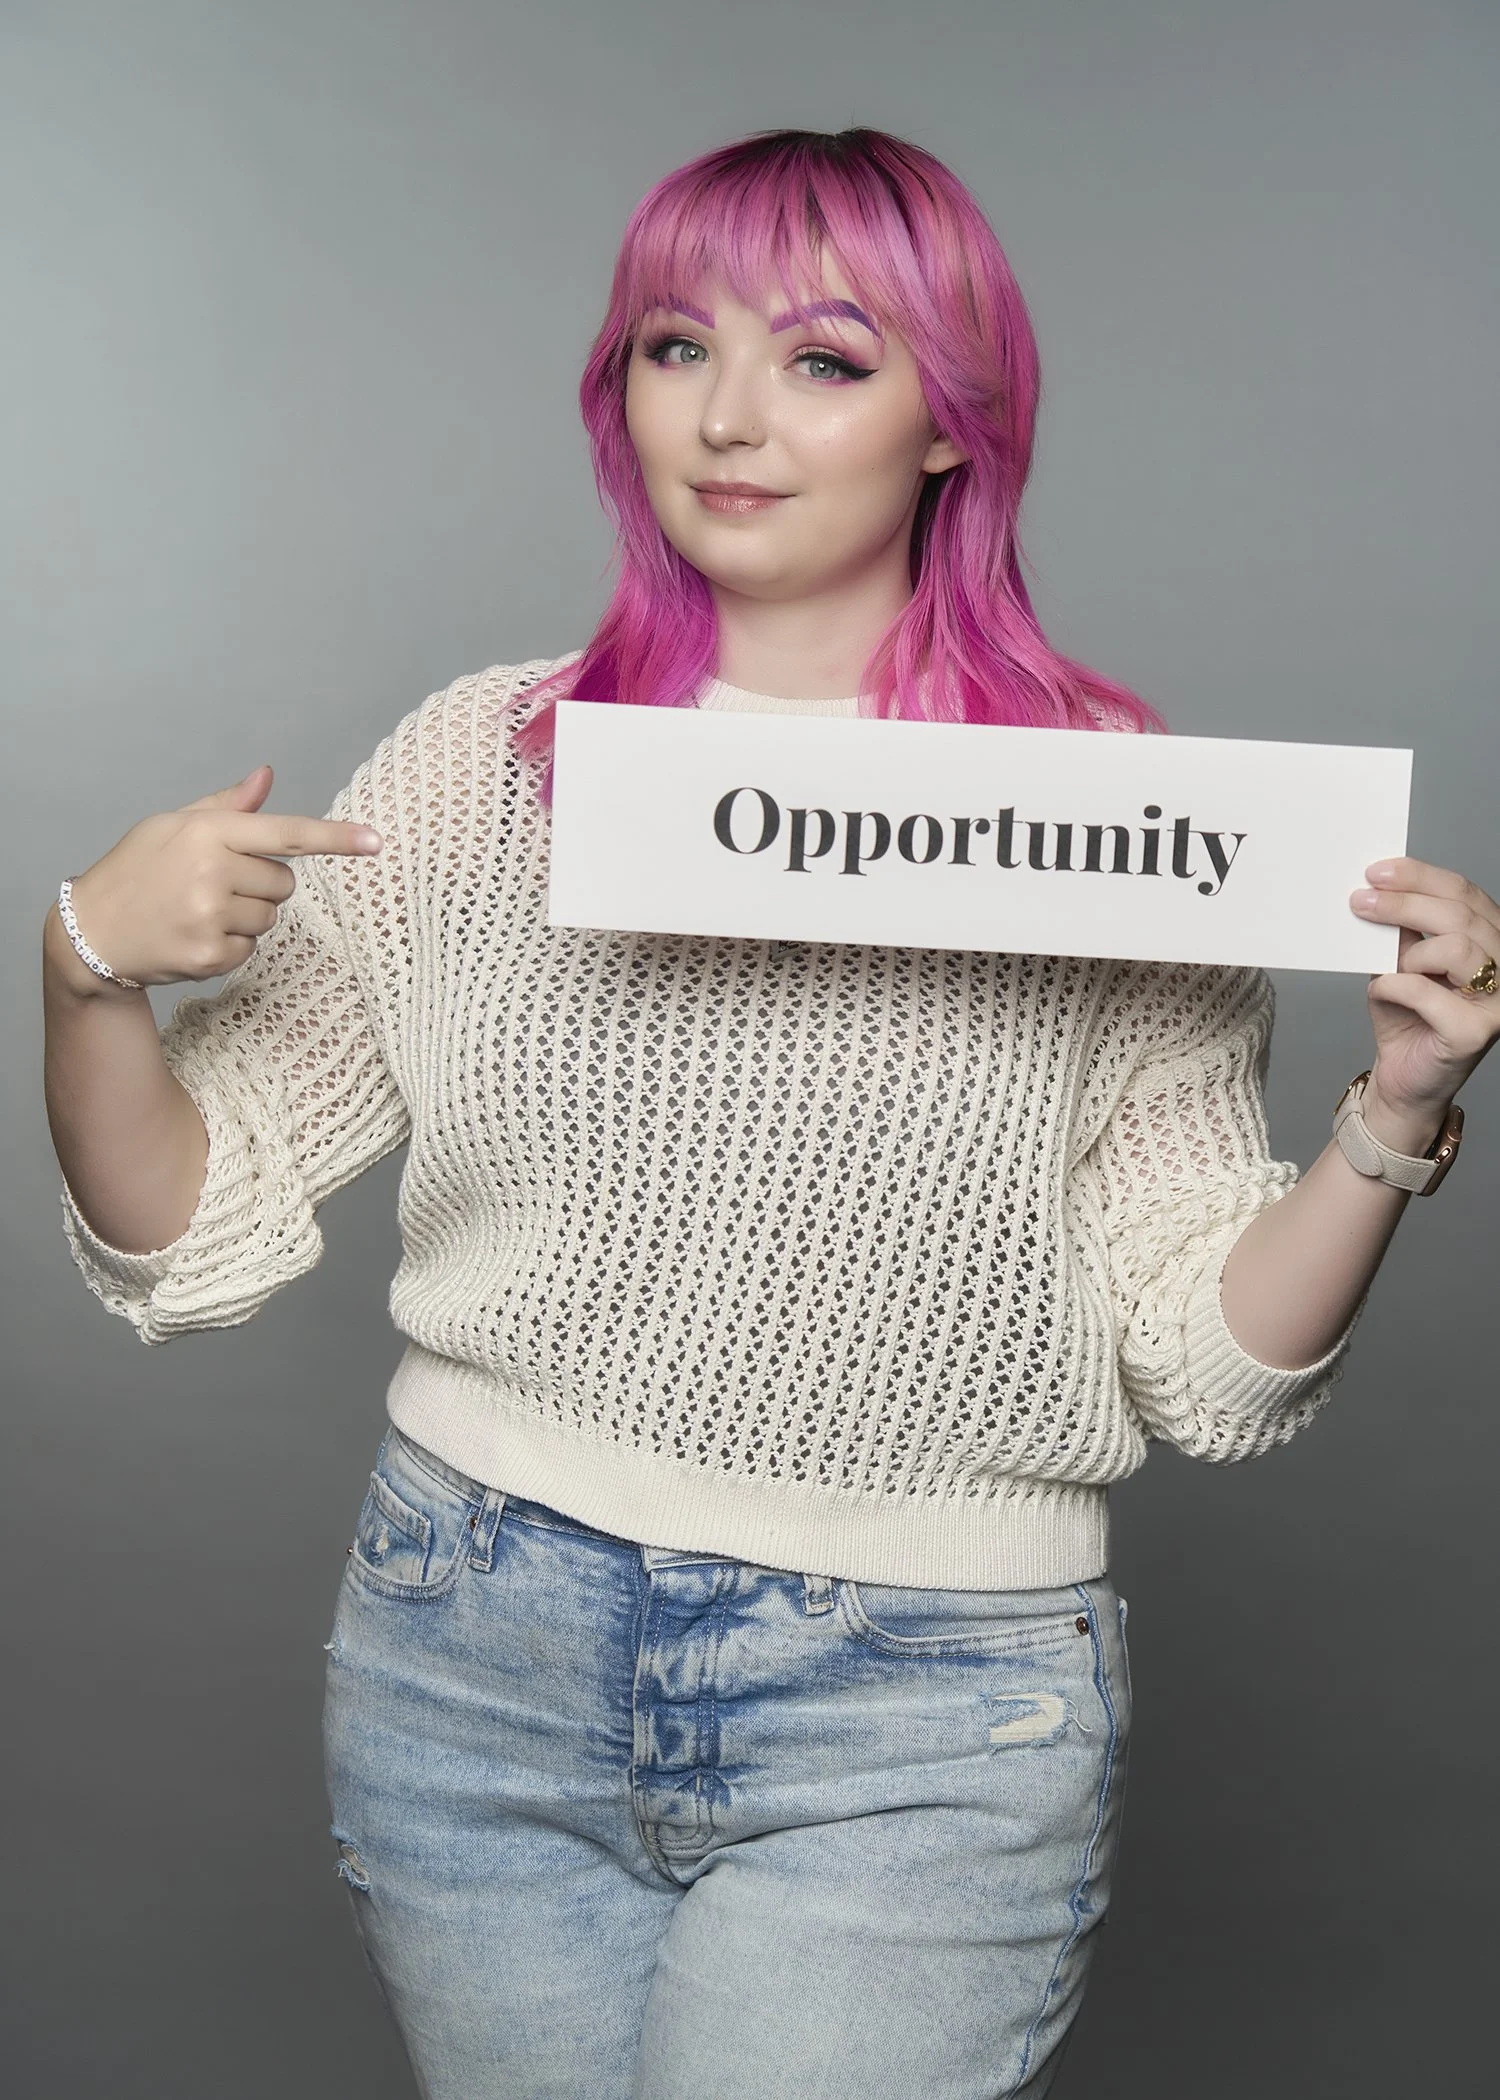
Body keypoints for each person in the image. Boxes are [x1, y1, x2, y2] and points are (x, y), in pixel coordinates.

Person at [41, 127, 1500, 2100]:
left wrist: (1391, 1116)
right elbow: (184, 1235)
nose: (727, 417)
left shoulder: (1120, 821)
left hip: (922, 1708)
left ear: (949, 425)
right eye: (671, 345)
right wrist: (87, 972)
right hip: (474, 1640)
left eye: (824, 358)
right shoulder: (488, 763)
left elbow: (1207, 1360)